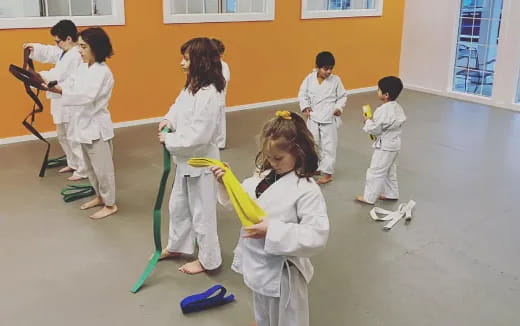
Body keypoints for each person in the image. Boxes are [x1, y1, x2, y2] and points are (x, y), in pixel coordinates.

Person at [211, 110, 329, 326]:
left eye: (278, 158)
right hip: (260, 263)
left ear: (299, 152)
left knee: (288, 318)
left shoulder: (306, 190)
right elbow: (243, 200)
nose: (272, 162)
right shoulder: (264, 176)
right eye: (268, 156)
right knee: (262, 309)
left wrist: (272, 230)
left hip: (284, 273)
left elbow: (317, 235)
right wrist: (226, 183)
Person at [157, 37, 225, 275]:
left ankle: (209, 260)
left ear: (201, 61)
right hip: (185, 162)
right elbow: (178, 106)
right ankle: (177, 246)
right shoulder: (192, 86)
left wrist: (169, 140)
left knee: (202, 213)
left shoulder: (210, 93)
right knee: (178, 207)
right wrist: (169, 119)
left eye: (186, 59)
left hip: (201, 163)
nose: (182, 63)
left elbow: (199, 136)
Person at [46, 27, 118, 219]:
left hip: (96, 127)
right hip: (82, 125)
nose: (80, 50)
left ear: (96, 47)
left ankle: (110, 204)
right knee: (91, 168)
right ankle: (100, 197)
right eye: (79, 46)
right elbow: (72, 84)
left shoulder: (102, 72)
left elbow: (87, 96)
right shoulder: (84, 67)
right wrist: (53, 84)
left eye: (83, 46)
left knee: (103, 170)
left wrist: (62, 92)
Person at [24, 19, 87, 181]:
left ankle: (83, 169)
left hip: (70, 100)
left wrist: (37, 76)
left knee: (73, 136)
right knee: (63, 134)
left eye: (58, 40)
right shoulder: (65, 51)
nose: (56, 44)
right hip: (60, 99)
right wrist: (34, 48)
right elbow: (51, 52)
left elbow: (58, 75)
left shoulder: (75, 54)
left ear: (68, 39)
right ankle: (72, 162)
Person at [298, 51, 347, 185]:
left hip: (328, 117)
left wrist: (338, 108)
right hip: (313, 117)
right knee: (312, 143)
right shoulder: (309, 78)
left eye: (331, 68)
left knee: (329, 146)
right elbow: (302, 94)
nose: (329, 71)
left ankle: (328, 173)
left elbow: (342, 96)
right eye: (325, 68)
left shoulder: (336, 80)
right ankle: (316, 167)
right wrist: (306, 107)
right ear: (317, 67)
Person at [355, 76, 407, 204]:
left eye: (379, 90)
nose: (377, 91)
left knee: (375, 171)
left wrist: (367, 121)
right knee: (389, 170)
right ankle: (391, 193)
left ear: (386, 94)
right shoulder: (397, 108)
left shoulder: (383, 110)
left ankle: (369, 197)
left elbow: (376, 129)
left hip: (384, 146)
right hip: (394, 145)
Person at [212, 38, 230, 149]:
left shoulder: (224, 66)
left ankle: (220, 143)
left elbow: (223, 81)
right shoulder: (205, 65)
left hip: (218, 98)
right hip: (208, 98)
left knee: (219, 121)